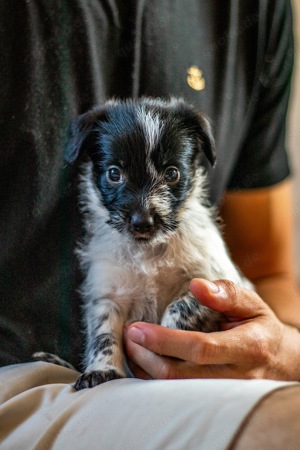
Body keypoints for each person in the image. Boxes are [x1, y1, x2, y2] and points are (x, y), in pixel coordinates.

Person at [0, 1, 300, 449]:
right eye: (116, 176)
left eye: (172, 177)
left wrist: (285, 353)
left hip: (195, 387)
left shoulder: (256, 10)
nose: (143, 212)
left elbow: (270, 269)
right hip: (23, 377)